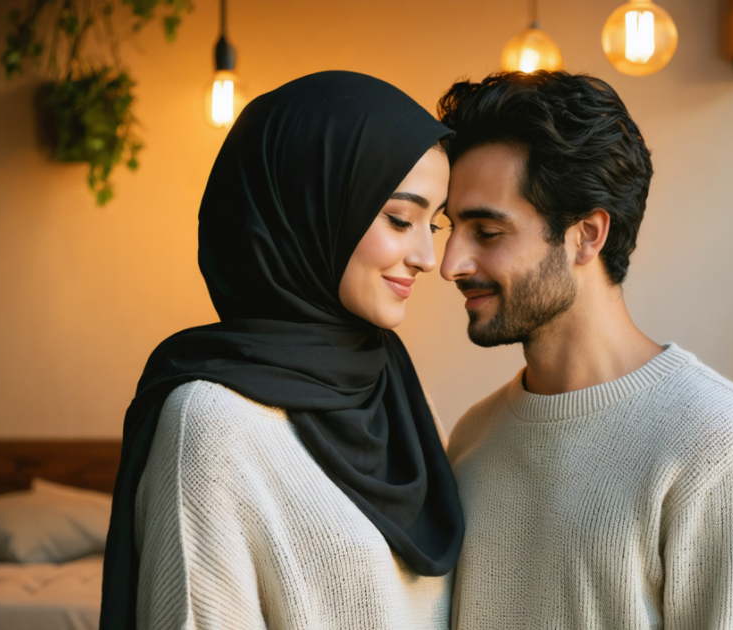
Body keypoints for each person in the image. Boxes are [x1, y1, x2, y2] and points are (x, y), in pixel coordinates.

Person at [98, 71, 463, 630]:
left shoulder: (398, 389)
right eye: (399, 218)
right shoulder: (211, 422)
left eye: (432, 225)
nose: (426, 257)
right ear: (307, 207)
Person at [437, 71, 733, 629]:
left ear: (587, 234)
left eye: (486, 232)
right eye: (451, 228)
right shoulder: (472, 439)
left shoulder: (718, 445)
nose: (451, 263)